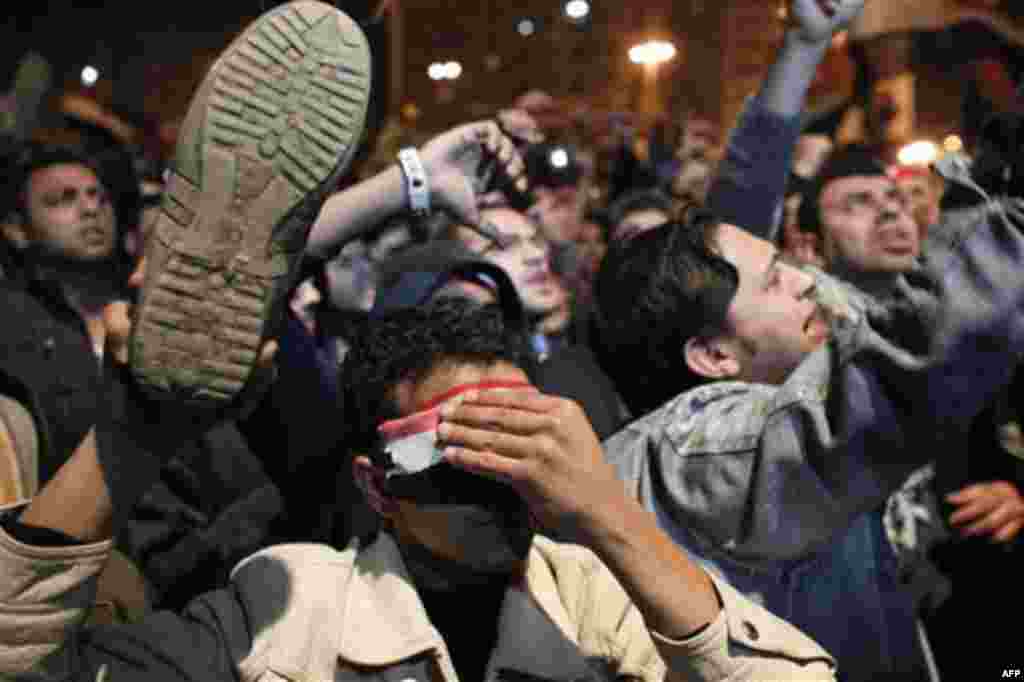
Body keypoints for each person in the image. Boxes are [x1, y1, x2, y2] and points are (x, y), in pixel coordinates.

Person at [0, 293, 840, 681]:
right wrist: (131, 437)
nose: (504, 480)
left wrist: (609, 512)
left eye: (526, 443)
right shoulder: (286, 611)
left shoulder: (596, 594)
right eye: (460, 450)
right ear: (376, 486)